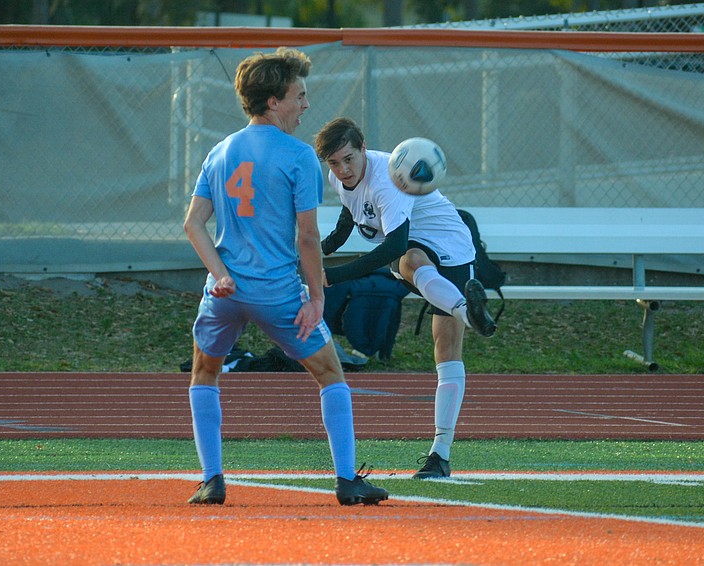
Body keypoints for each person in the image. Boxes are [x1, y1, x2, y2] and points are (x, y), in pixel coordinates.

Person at [182, 50, 387, 506]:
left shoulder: (220, 151)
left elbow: (192, 224)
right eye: (299, 95)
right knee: (331, 373)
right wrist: (316, 298)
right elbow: (308, 238)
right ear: (274, 101)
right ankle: (348, 480)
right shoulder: (298, 156)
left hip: (225, 294)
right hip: (277, 292)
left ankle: (211, 480)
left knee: (204, 374)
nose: (306, 105)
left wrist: (219, 275)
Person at [313, 117, 497, 480]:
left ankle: (439, 456)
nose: (343, 169)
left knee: (443, 348)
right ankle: (467, 312)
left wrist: (331, 276)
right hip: (421, 253)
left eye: (349, 158)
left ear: (363, 148)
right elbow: (349, 219)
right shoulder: (340, 176)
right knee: (413, 264)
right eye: (334, 163)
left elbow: (392, 246)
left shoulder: (389, 179)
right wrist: (314, 255)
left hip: (453, 249)